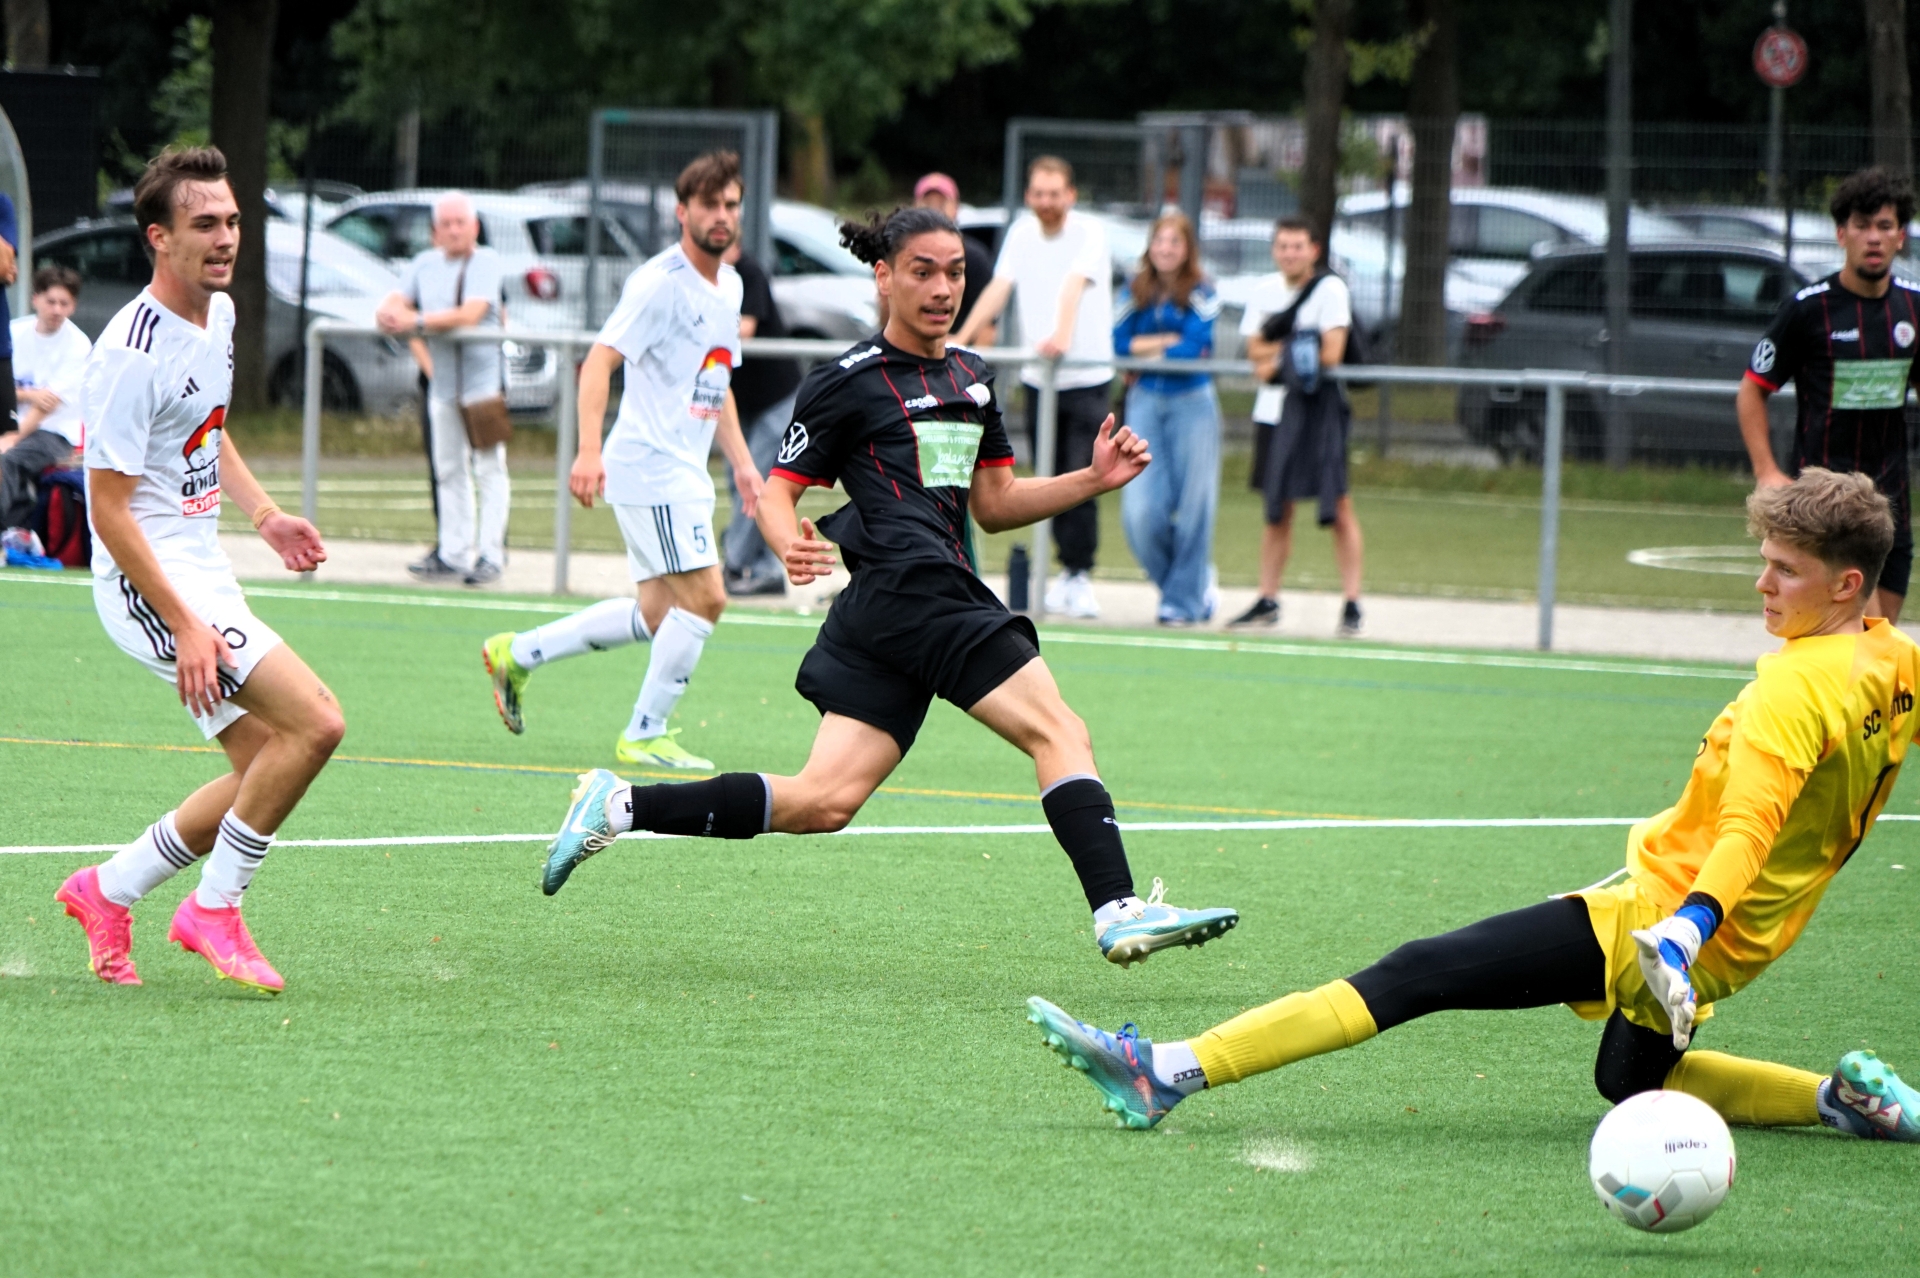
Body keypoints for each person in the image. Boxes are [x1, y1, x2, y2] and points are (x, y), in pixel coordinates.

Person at [1028, 468, 1920, 1142]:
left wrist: (1683, 931)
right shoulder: (1893, 662)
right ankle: (1840, 1102)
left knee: (1415, 973)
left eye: (1785, 571)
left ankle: (1167, 1071)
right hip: (1744, 942)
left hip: (1663, 925)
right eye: (1764, 564)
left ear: (1847, 585)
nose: (1762, 584)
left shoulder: (1790, 692)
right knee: (1630, 1084)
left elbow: (1748, 830)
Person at [535, 205, 1238, 967]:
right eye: (922, 272)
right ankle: (1118, 910)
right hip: (916, 588)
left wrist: (1092, 479)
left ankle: (618, 804)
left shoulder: (972, 379)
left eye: (956, 273)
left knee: (823, 801)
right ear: (884, 276)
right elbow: (777, 493)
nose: (943, 289)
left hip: (893, 607)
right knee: (1059, 732)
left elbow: (995, 504)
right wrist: (788, 545)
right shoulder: (847, 382)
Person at [56, 147, 344, 994]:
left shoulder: (217, 313)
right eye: (205, 224)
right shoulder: (128, 352)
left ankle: (107, 890)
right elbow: (108, 511)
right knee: (317, 723)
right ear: (159, 237)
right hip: (149, 585)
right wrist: (184, 623)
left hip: (201, 568)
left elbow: (206, 429)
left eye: (232, 222)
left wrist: (265, 515)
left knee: (263, 767)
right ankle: (214, 909)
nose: (226, 239)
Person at [481, 152, 763, 771]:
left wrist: (743, 464)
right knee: (707, 599)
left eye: (731, 205)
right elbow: (599, 361)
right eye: (709, 205)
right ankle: (644, 732)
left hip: (682, 468)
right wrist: (587, 450)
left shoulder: (730, 285)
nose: (722, 216)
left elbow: (716, 379)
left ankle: (517, 653)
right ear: (682, 211)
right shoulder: (658, 282)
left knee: (659, 614)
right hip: (651, 466)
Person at [1739, 166, 1918, 624]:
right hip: (1827, 509)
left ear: (1901, 236)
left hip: (1892, 500)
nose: (1873, 237)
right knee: (1858, 631)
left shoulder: (1914, 307)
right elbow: (1753, 389)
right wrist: (1766, 471)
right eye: (1862, 225)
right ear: (1842, 234)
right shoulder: (1808, 310)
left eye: (1885, 226)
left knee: (1877, 638)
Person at [955, 157, 1114, 618]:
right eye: (1039, 194)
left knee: (1081, 473)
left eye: (1054, 193)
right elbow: (998, 289)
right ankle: (1057, 573)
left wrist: (1060, 336)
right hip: (1038, 381)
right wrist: (961, 338)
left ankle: (1078, 573)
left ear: (1070, 195)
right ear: (1028, 196)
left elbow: (1072, 285)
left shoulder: (1089, 233)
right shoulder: (1022, 234)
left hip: (1085, 378)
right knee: (1046, 477)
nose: (1046, 202)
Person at [1228, 217, 1364, 637]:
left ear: (1314, 250)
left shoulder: (1330, 290)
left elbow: (1331, 353)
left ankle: (1352, 603)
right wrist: (1297, 349)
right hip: (1273, 413)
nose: (1290, 253)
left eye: (1298, 246)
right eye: (1283, 246)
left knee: (1338, 506)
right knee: (1276, 509)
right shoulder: (1264, 290)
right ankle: (1267, 599)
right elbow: (1253, 352)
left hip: (1318, 415)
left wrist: (1278, 356)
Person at [376, 192, 510, 587]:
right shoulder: (423, 264)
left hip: (483, 386)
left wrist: (414, 320)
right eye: (445, 224)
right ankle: (453, 553)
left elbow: (470, 313)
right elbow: (393, 304)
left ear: (475, 227)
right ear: (434, 231)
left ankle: (491, 554)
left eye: (460, 223)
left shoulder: (487, 262)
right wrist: (389, 314)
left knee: (489, 468)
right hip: (443, 385)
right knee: (448, 469)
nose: (453, 231)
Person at [1112, 212, 1222, 626]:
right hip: (1144, 402)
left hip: (1193, 402)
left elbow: (1195, 347)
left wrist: (1146, 350)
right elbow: (1119, 343)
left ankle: (1184, 603)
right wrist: (1163, 342)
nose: (1166, 249)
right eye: (1160, 241)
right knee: (1141, 513)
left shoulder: (1203, 289)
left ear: (1187, 248)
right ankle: (1193, 586)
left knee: (1195, 507)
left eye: (1175, 242)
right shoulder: (1134, 288)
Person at [721, 238, 801, 596]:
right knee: (737, 480)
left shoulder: (748, 272)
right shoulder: (705, 278)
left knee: (756, 485)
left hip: (776, 398)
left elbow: (747, 328)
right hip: (742, 402)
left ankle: (734, 564)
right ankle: (766, 570)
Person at [1, 266, 92, 533]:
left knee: (8, 460)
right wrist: (30, 394)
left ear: (73, 306)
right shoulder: (14, 332)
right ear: (35, 299)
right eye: (51, 301)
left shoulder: (78, 345)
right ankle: (15, 527)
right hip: (10, 423)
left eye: (65, 303)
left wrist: (12, 438)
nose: (57, 310)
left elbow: (45, 408)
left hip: (54, 434)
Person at [913, 172, 996, 341]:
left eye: (942, 204)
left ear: (956, 208)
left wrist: (963, 349)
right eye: (928, 204)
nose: (934, 210)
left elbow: (987, 327)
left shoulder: (973, 257)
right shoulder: (901, 253)